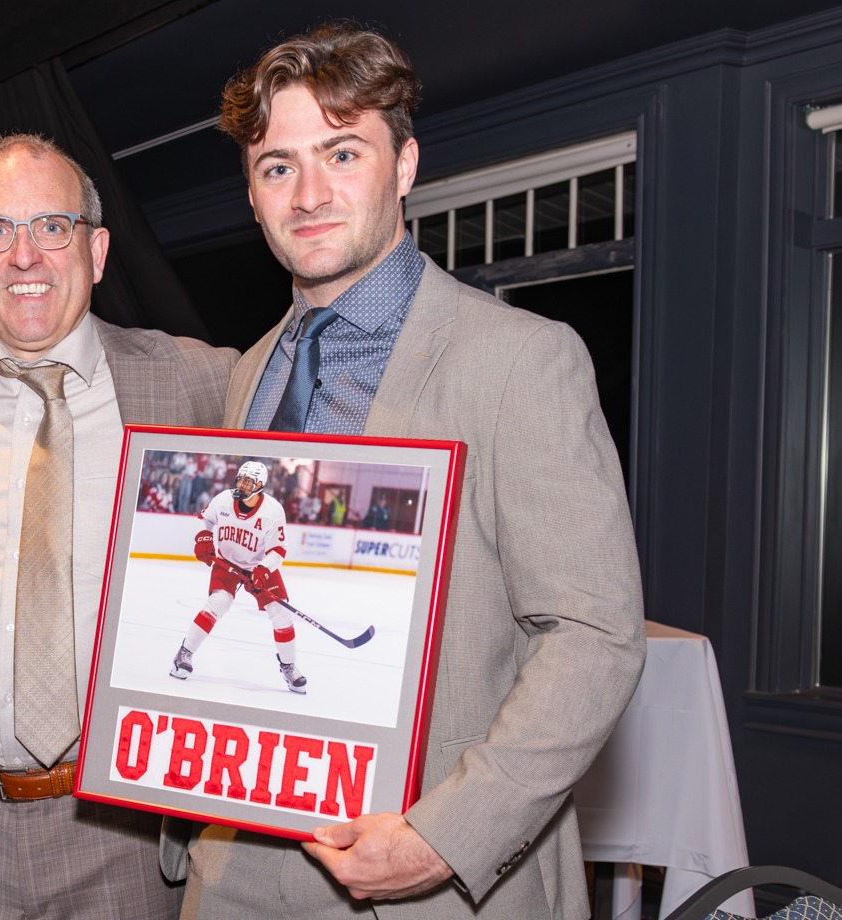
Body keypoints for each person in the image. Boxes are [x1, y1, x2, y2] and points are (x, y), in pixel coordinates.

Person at [167, 24, 647, 919]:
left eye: (341, 153)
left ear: (404, 165)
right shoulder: (248, 371)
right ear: (251, 193)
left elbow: (594, 636)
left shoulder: (519, 360)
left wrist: (446, 835)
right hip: (237, 865)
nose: (308, 193)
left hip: (427, 876)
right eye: (277, 167)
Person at [0, 133, 238, 919]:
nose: (24, 256)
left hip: (127, 832)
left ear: (97, 251)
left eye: (52, 227)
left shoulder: (202, 385)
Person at [170, 460, 304, 692]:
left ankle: (289, 666)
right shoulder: (223, 500)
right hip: (227, 561)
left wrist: (263, 570)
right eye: (240, 479)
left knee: (281, 613)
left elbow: (279, 550)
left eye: (247, 481)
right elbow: (208, 519)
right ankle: (184, 653)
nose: (241, 484)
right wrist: (204, 536)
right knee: (218, 602)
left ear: (260, 485)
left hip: (258, 566)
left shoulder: (273, 511)